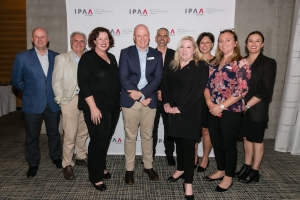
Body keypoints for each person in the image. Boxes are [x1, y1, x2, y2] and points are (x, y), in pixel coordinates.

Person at [203, 29, 251, 192]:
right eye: (221, 41)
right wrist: (210, 103)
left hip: (230, 111)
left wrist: (221, 106)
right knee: (217, 142)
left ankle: (228, 176)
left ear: (235, 43)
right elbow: (206, 86)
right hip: (212, 110)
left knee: (228, 145)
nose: (223, 43)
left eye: (227, 40)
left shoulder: (241, 63)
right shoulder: (214, 63)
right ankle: (221, 169)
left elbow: (242, 90)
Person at [11, 27, 62, 178]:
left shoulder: (56, 57)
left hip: (53, 102)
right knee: (32, 136)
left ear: (48, 39)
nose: (40, 40)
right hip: (32, 103)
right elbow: (16, 80)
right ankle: (33, 163)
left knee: (54, 133)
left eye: (43, 37)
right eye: (36, 37)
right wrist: (29, 91)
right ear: (32, 39)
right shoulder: (22, 57)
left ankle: (56, 157)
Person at [164, 36, 208, 200]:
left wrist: (180, 109)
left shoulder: (200, 66)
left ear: (194, 50)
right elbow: (165, 85)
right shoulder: (173, 65)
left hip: (190, 113)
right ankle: (180, 169)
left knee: (189, 148)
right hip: (173, 112)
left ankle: (188, 184)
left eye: (188, 47)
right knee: (179, 144)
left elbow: (197, 91)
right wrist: (166, 103)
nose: (184, 50)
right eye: (182, 47)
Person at [77, 27, 120, 191]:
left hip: (113, 107)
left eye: (106, 39)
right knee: (97, 141)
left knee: (106, 139)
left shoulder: (111, 57)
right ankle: (95, 177)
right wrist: (93, 108)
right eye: (100, 38)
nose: (103, 41)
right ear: (94, 41)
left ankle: (101, 167)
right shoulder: (88, 58)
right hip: (96, 107)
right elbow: (84, 84)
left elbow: (115, 81)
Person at [119, 24, 163, 185]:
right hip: (130, 101)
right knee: (130, 136)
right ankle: (129, 169)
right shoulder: (125, 53)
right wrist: (138, 97)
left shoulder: (156, 54)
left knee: (147, 136)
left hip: (149, 101)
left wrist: (143, 94)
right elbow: (123, 77)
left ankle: (148, 166)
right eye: (139, 36)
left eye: (145, 35)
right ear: (134, 37)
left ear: (149, 36)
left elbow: (158, 78)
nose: (142, 39)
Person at [235, 31, 277, 183]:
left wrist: (246, 105)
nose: (253, 44)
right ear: (246, 44)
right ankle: (246, 166)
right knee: (246, 138)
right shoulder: (241, 61)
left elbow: (266, 90)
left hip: (256, 108)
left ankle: (255, 171)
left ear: (262, 44)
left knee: (256, 140)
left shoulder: (268, 62)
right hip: (241, 108)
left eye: (257, 41)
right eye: (250, 41)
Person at [52, 31, 89, 180]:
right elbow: (56, 82)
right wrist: (63, 101)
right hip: (70, 100)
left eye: (81, 41)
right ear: (71, 42)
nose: (79, 43)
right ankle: (67, 163)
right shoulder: (61, 58)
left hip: (87, 100)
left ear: (85, 44)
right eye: (76, 41)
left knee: (83, 131)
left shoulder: (89, 58)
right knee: (69, 134)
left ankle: (80, 156)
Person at [153, 28, 176, 166]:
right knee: (151, 128)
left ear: (168, 39)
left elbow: (176, 78)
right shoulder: (149, 53)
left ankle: (169, 155)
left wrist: (164, 92)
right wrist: (157, 90)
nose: (162, 38)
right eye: (159, 36)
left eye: (165, 36)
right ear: (155, 38)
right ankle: (151, 155)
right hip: (152, 97)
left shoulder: (175, 54)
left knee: (169, 128)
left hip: (170, 98)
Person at [194, 32, 215, 171]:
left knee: (206, 130)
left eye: (207, 42)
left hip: (210, 100)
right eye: (202, 42)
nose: (205, 45)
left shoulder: (218, 60)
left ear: (212, 44)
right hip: (194, 99)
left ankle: (205, 158)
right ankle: (193, 156)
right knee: (194, 131)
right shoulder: (193, 60)